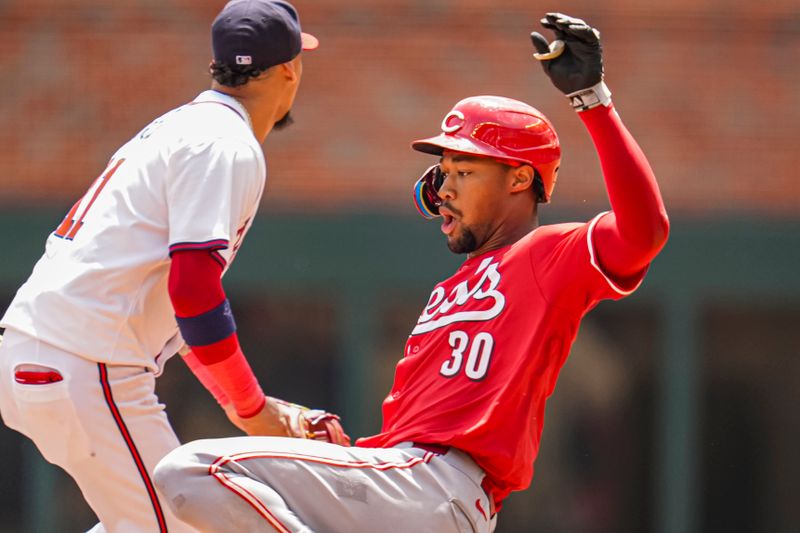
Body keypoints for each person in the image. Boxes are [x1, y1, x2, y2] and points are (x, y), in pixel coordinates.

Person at [152, 12, 669, 533]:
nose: (445, 189)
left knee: (192, 471)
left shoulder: (547, 253)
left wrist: (594, 102)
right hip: (406, 484)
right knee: (152, 520)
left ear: (520, 178)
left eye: (464, 172)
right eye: (442, 174)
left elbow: (644, 230)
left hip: (437, 483)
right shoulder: (452, 286)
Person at [0, 1, 347, 532]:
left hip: (53, 351)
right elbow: (194, 292)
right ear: (289, 70)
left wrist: (245, 404)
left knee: (153, 521)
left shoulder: (183, 126)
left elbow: (180, 307)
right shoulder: (225, 144)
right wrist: (253, 411)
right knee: (192, 524)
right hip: (89, 363)